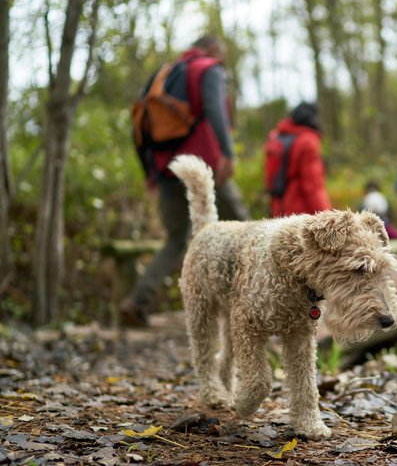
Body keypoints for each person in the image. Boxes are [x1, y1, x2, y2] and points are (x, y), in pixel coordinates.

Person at [120, 34, 249, 327]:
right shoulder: (209, 69)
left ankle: (136, 301)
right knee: (245, 228)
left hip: (167, 171)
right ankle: (257, 301)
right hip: (203, 166)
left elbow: (138, 127)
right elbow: (216, 111)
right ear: (214, 49)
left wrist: (150, 172)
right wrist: (227, 154)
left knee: (175, 240)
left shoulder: (162, 75)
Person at [264, 102, 331, 217]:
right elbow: (313, 185)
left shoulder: (279, 137)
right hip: (300, 214)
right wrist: (329, 219)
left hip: (278, 209)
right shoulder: (307, 142)